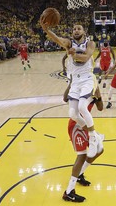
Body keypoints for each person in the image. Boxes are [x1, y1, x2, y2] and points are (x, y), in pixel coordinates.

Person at [40, 18, 103, 193]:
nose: (76, 30)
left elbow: (87, 57)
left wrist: (73, 53)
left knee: (83, 108)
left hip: (86, 78)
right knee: (73, 113)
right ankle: (93, 135)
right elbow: (57, 39)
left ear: (83, 31)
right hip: (76, 82)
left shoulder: (90, 43)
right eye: (74, 28)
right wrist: (46, 30)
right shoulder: (68, 43)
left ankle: (93, 136)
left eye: (79, 28)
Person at [62, 78, 104, 202]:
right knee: (81, 156)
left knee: (99, 149)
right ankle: (69, 192)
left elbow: (100, 108)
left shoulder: (93, 87)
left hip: (86, 125)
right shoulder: (78, 85)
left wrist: (99, 95)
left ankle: (79, 174)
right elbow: (65, 99)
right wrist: (71, 83)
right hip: (76, 125)